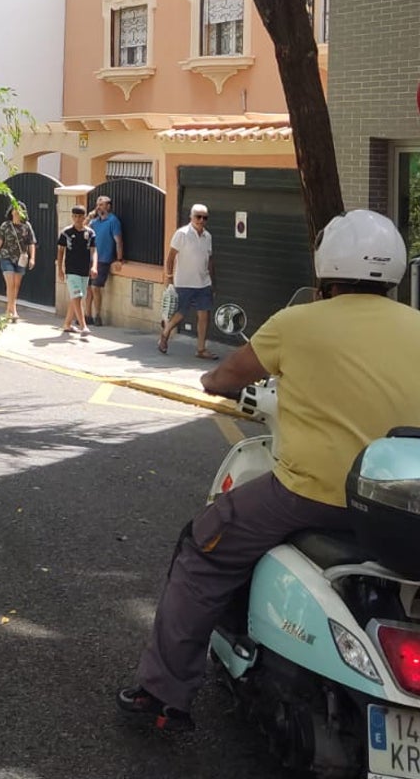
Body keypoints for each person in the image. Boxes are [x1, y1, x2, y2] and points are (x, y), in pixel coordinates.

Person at [117, 209, 420, 733]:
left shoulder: (297, 323)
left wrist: (213, 379)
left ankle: (162, 693)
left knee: (203, 549)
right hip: (401, 502)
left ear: (328, 266)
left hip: (311, 493)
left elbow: (226, 376)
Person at [158, 204, 217, 360]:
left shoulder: (208, 236)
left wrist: (212, 282)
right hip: (184, 282)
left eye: (205, 217)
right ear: (191, 217)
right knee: (180, 314)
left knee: (204, 316)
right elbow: (170, 257)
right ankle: (165, 333)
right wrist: (169, 277)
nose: (201, 220)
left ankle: (201, 349)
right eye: (198, 216)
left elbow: (209, 260)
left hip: (203, 282)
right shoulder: (181, 234)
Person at [0, 201, 37, 322]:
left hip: (21, 259)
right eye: (15, 209)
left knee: (16, 284)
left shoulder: (27, 226)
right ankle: (13, 309)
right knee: (10, 283)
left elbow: (31, 243)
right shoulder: (5, 225)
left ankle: (8, 310)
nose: (16, 211)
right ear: (11, 211)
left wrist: (32, 258)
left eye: (19, 209)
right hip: (6, 257)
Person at [56, 205, 97, 335]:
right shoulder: (66, 233)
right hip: (71, 270)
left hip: (84, 270)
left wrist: (94, 266)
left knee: (77, 298)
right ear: (72, 217)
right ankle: (83, 326)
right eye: (75, 216)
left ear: (84, 217)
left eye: (80, 216)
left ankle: (67, 324)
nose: (78, 219)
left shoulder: (90, 233)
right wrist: (60, 270)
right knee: (77, 295)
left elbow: (94, 251)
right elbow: (61, 251)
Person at [85, 195, 124, 326]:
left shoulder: (113, 221)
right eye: (98, 204)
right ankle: (87, 315)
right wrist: (90, 216)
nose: (99, 207)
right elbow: (82, 227)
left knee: (96, 287)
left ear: (108, 206)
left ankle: (98, 316)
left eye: (102, 204)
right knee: (89, 288)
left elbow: (118, 241)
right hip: (91, 258)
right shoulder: (95, 222)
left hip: (103, 259)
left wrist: (119, 259)